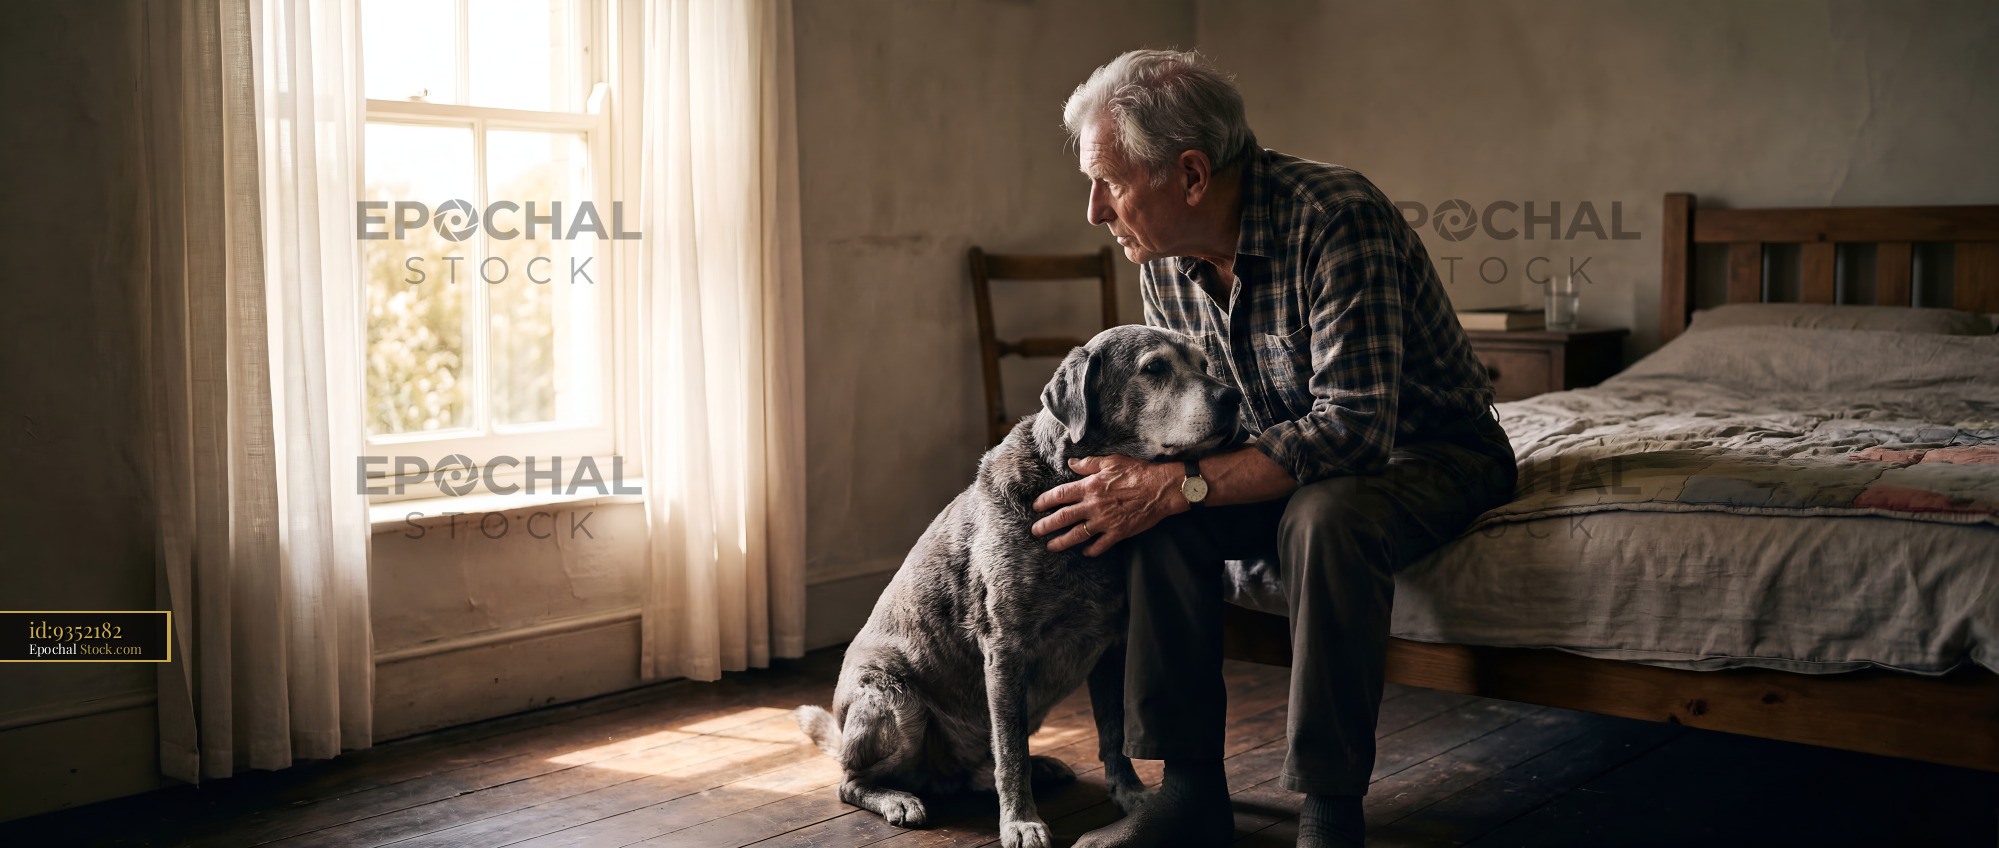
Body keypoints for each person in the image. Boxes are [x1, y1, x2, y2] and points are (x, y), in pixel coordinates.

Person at [1029, 50, 1518, 848]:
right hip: (1284, 455)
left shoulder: (1335, 216)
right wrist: (1153, 484)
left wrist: (1177, 484)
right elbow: (1201, 427)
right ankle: (1188, 793)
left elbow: (1355, 430)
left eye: (1110, 184)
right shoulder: (1164, 257)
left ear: (1190, 175)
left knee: (1322, 516)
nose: (1093, 210)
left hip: (1425, 453)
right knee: (1149, 512)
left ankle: (1329, 811)